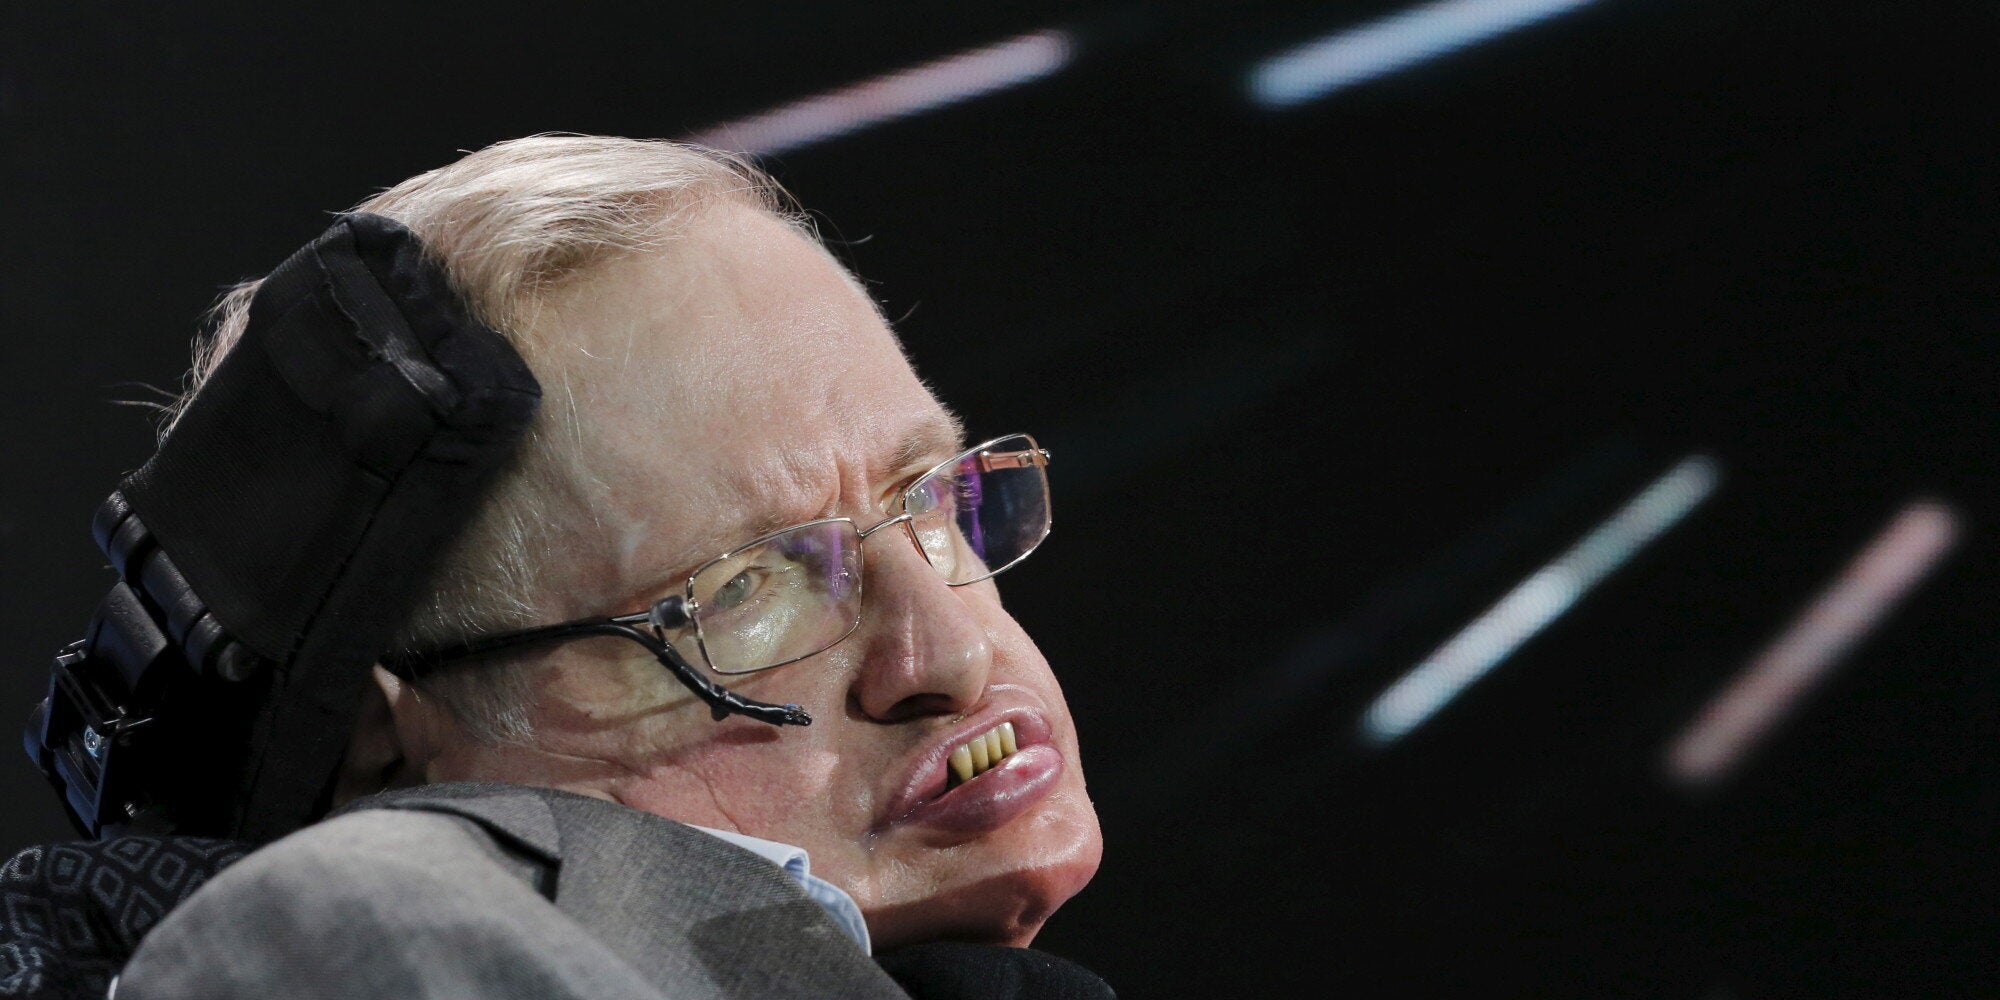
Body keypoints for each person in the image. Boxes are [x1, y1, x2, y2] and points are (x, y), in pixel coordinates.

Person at [103, 135, 1106, 998]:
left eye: (928, 497)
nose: (952, 653)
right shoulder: (346, 932)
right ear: (388, 743)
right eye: (745, 589)